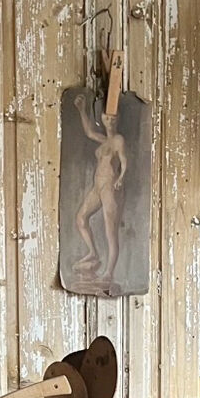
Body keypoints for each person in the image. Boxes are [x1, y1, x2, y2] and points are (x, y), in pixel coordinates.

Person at [71, 92, 127, 285]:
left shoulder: (118, 140)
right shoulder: (104, 140)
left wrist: (121, 177)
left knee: (110, 230)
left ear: (117, 119)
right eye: (106, 118)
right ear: (102, 119)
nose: (109, 121)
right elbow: (88, 132)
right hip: (98, 185)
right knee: (80, 218)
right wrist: (82, 110)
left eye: (113, 118)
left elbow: (124, 160)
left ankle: (109, 272)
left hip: (110, 186)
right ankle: (93, 252)